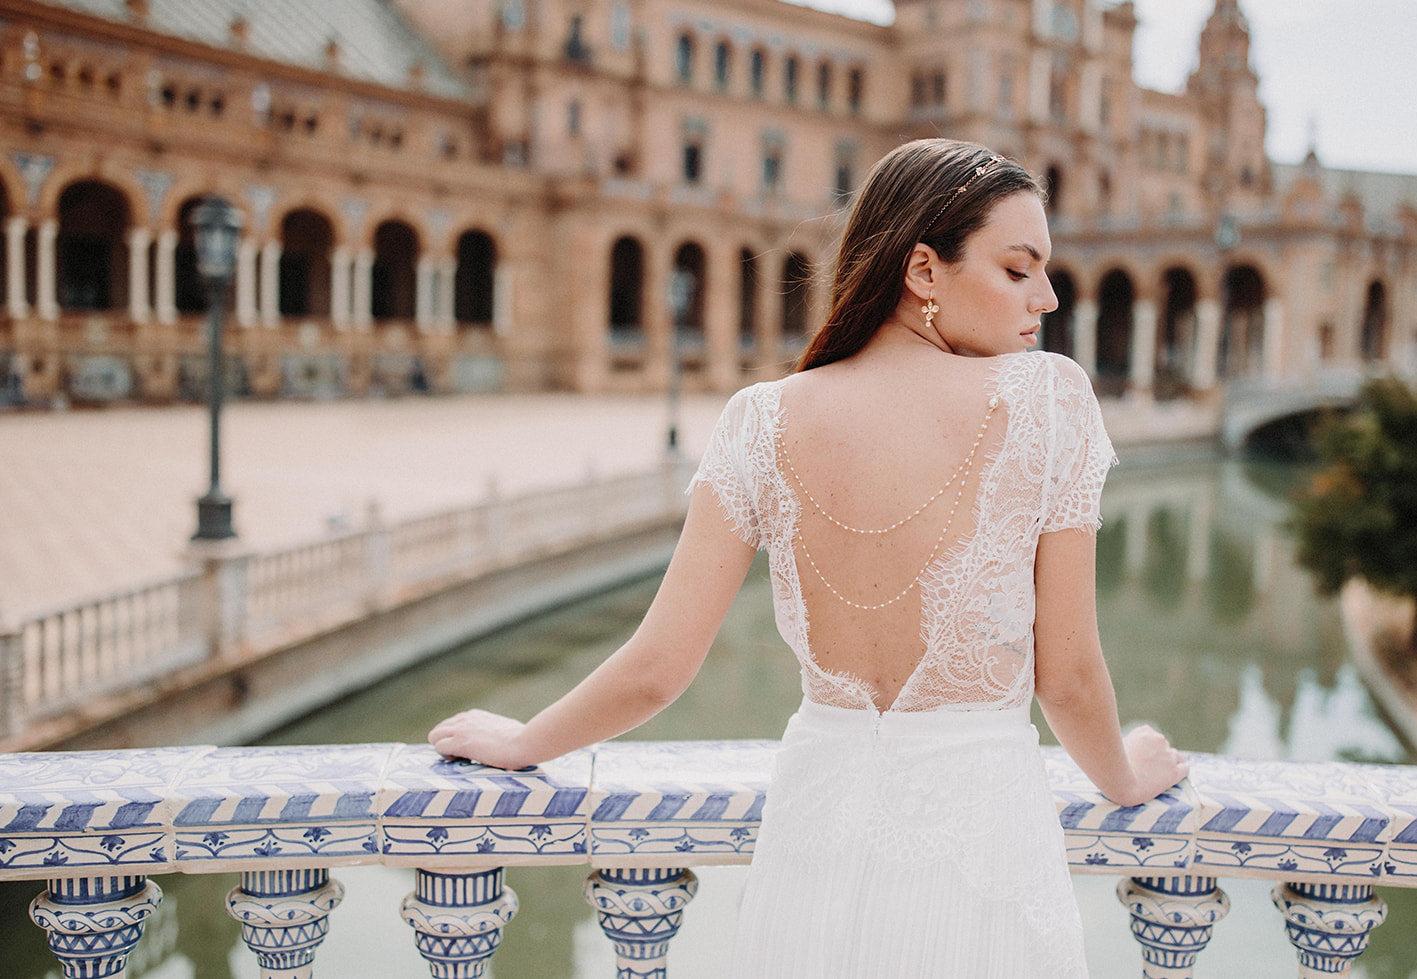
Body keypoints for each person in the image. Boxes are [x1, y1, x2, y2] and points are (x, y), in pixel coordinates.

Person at [429, 137, 1189, 977]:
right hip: (982, 848)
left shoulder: (758, 419)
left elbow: (658, 668)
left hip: (812, 843)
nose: (1045, 296)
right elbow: (1069, 676)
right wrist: (1124, 776)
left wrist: (526, 740)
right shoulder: (1049, 400)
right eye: (1018, 269)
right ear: (924, 271)